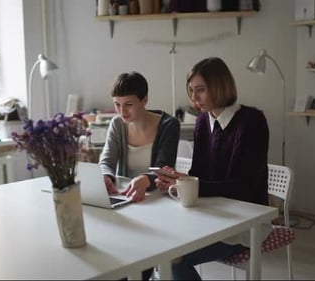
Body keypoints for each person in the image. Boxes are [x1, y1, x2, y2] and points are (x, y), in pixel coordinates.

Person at [154, 57, 270, 280]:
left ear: (219, 86)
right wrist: (177, 181)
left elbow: (244, 187)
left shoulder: (252, 121)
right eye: (191, 91)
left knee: (171, 259)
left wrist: (187, 184)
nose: (194, 98)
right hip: (211, 215)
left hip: (245, 221)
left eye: (201, 90)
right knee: (158, 249)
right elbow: (201, 176)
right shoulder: (202, 121)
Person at [98, 71, 180, 280]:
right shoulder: (117, 125)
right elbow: (106, 160)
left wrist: (146, 179)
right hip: (128, 203)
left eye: (129, 104)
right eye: (117, 104)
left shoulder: (169, 125)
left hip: (159, 205)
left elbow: (164, 165)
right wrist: (106, 175)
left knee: (138, 258)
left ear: (145, 100)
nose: (122, 111)